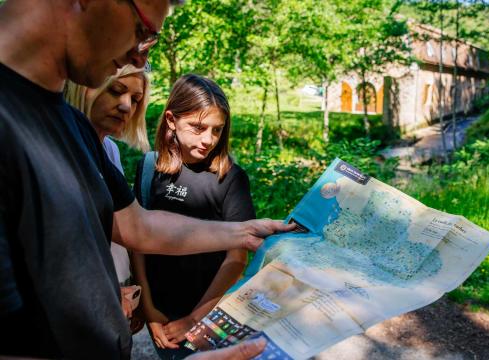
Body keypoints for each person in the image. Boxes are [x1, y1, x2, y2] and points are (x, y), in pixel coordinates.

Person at [0, 0, 293, 358]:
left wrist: (245, 233)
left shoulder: (72, 124)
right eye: (142, 31)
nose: (138, 59)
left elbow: (138, 227)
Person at [133, 74, 255, 359]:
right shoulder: (150, 168)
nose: (208, 139)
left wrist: (194, 319)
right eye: (198, 127)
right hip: (160, 314)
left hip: (208, 319)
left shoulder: (231, 179)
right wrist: (148, 308)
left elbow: (236, 260)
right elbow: (137, 241)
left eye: (217, 130)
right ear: (172, 120)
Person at [64, 64, 151, 322]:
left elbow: (132, 227)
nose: (126, 106)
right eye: (115, 91)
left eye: (136, 100)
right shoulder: (64, 149)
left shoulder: (110, 150)